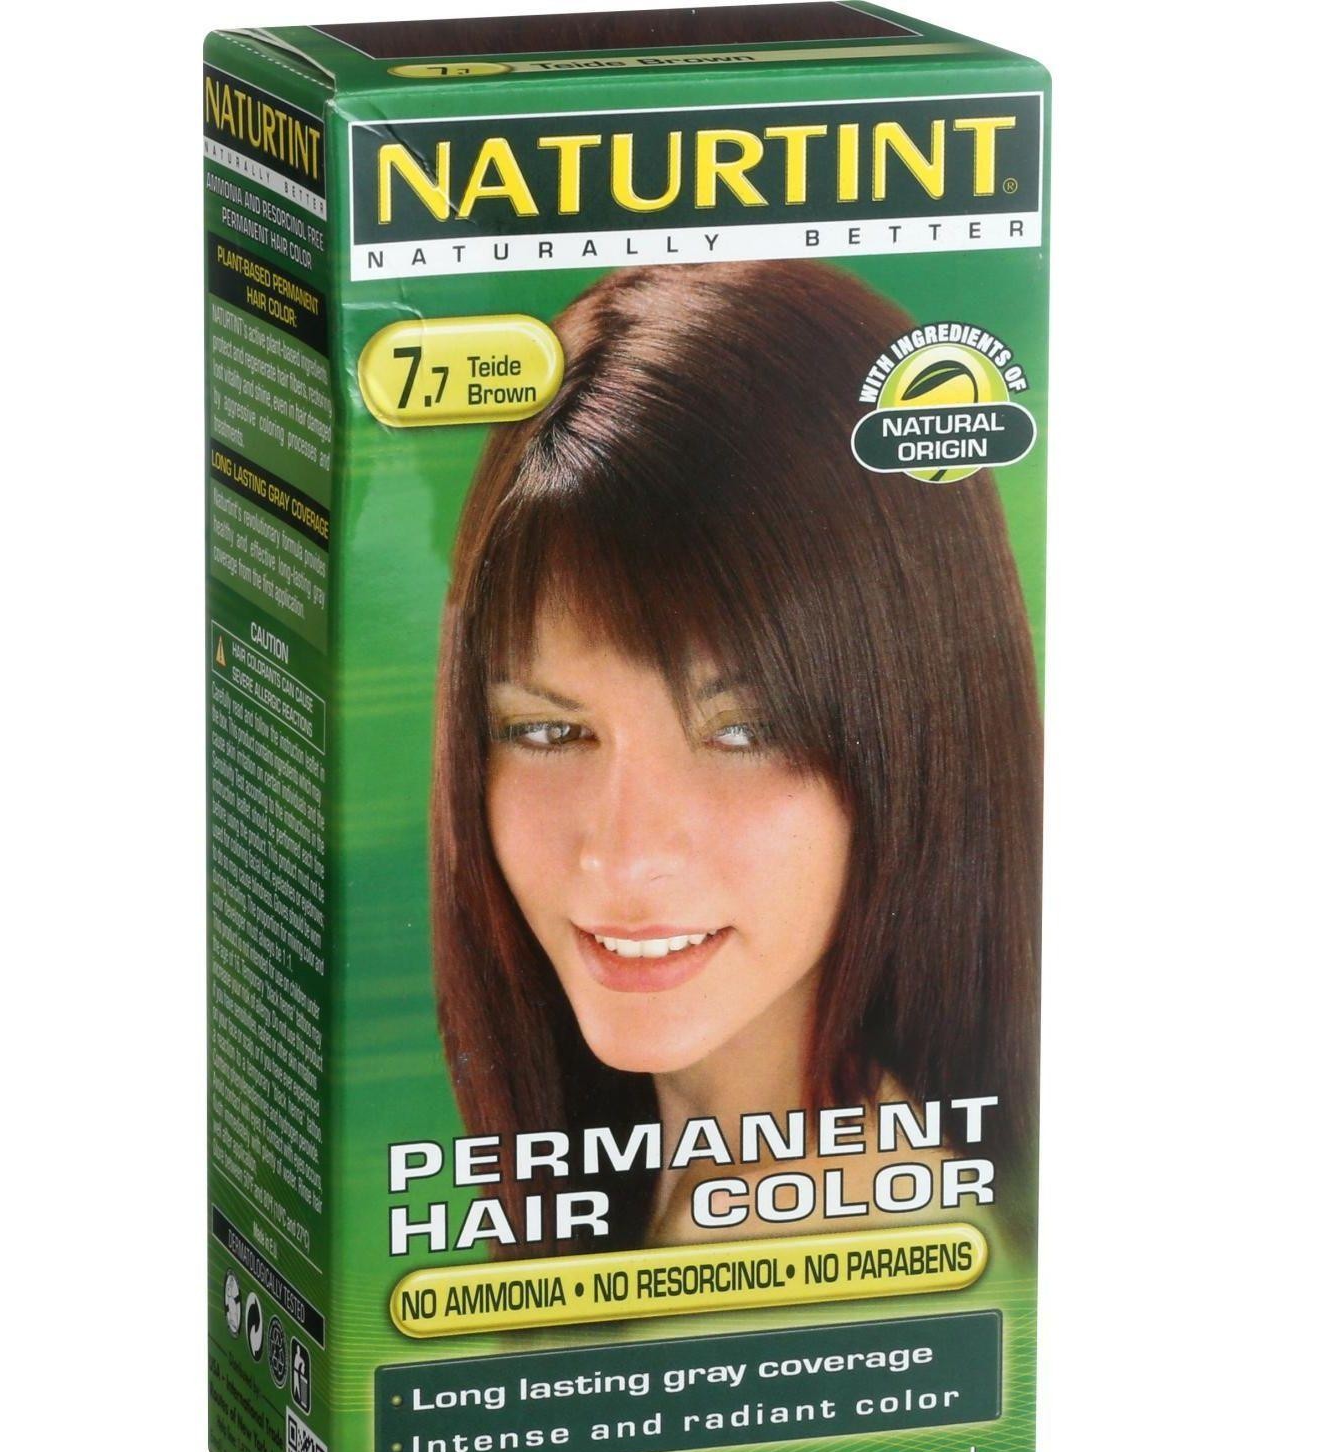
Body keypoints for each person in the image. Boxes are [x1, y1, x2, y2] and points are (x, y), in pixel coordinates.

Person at [430, 261, 1040, 1255]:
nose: (624, 857)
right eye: (549, 730)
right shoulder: (655, 1184)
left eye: (744, 733)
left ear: (920, 737)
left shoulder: (833, 1224)